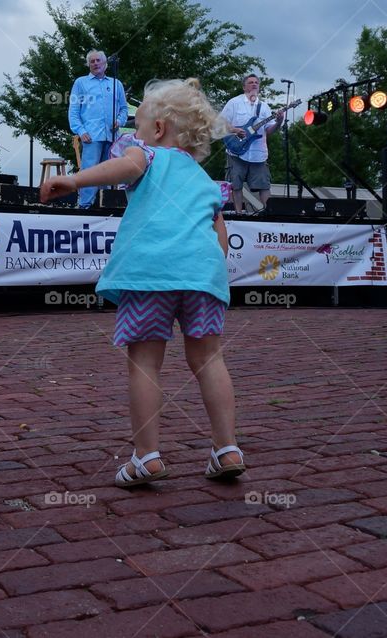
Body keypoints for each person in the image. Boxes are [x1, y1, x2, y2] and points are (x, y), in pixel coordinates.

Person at [41, 78, 245, 487]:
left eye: (137, 125)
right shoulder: (206, 182)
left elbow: (129, 166)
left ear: (157, 130)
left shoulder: (146, 154)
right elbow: (220, 241)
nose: (132, 134)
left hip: (151, 273)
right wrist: (200, 268)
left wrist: (77, 180)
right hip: (201, 275)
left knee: (146, 362)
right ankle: (228, 448)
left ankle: (146, 457)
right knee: (209, 358)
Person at [68, 50, 128, 208]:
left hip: (111, 135)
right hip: (91, 135)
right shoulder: (81, 83)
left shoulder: (116, 84)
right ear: (88, 64)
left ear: (105, 64)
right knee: (90, 171)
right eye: (92, 61)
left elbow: (123, 109)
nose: (95, 63)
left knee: (107, 172)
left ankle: (103, 205)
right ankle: (85, 206)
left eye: (98, 60)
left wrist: (119, 121)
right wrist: (81, 131)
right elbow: (74, 111)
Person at [221, 74, 283, 213]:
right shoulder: (234, 103)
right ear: (244, 87)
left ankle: (269, 215)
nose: (254, 84)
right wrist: (235, 130)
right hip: (236, 152)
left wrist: (279, 121)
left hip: (258, 155)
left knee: (264, 185)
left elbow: (270, 130)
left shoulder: (264, 107)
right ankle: (238, 214)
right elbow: (221, 123)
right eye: (250, 82)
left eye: (256, 82)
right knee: (236, 186)